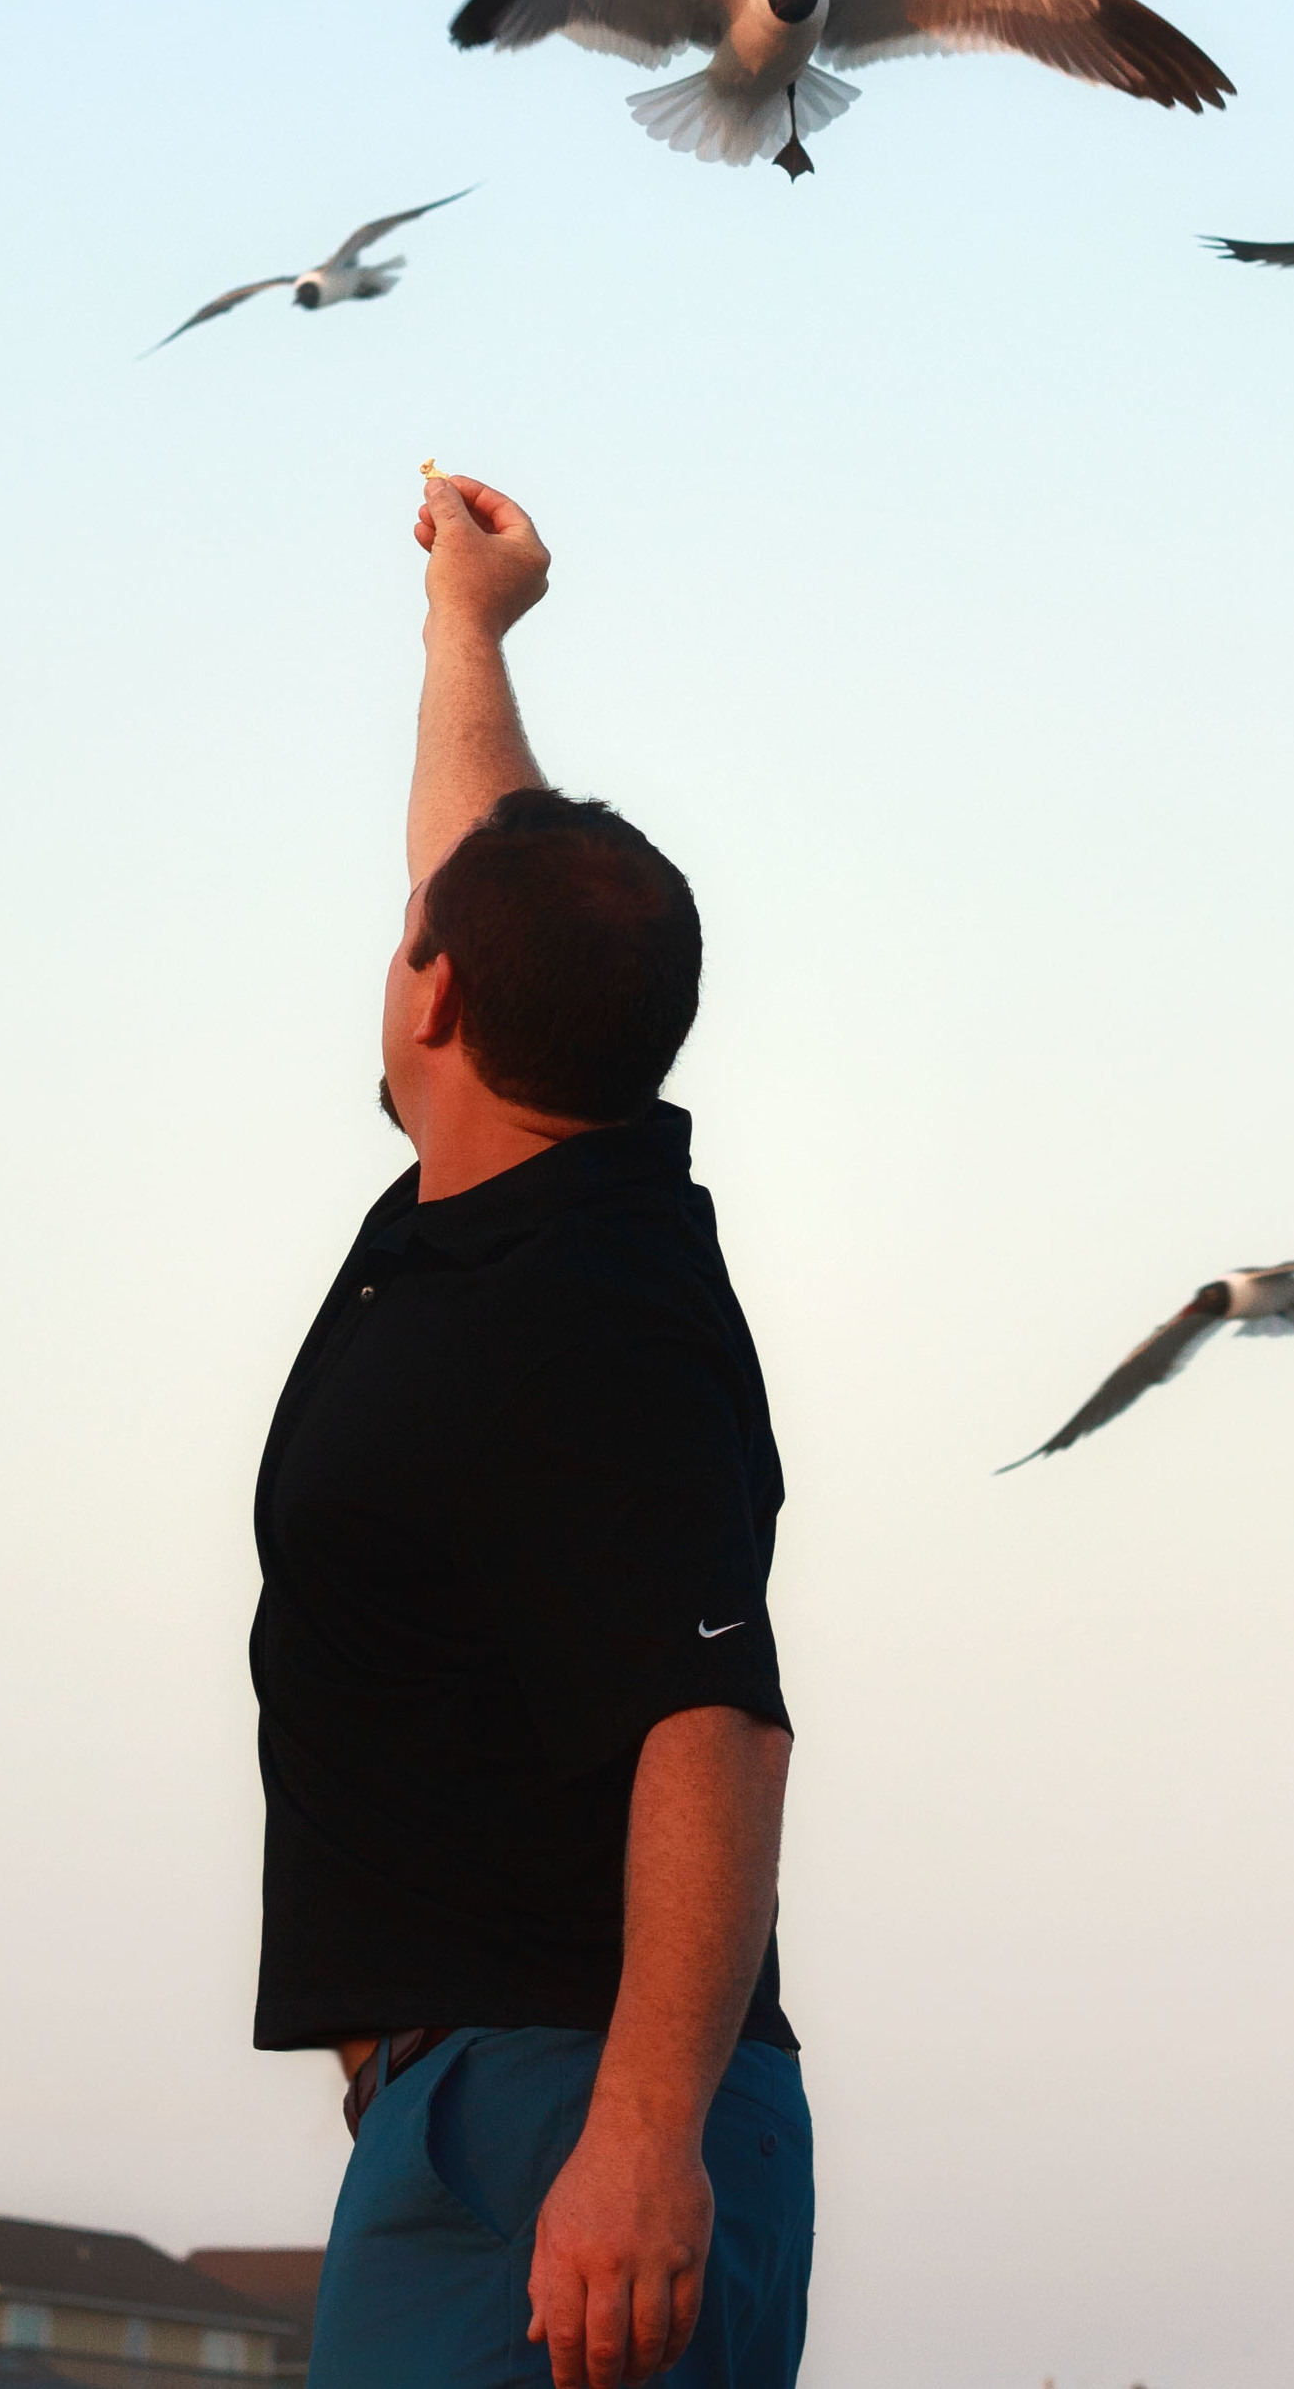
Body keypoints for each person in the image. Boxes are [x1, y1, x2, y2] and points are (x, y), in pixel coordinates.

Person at [252, 472, 810, 2389]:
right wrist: (467, 633)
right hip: (468, 2100)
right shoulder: (510, 1206)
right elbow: (484, 864)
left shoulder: (598, 1316)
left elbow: (713, 1716)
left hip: (582, 2119)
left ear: (438, 995)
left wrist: (643, 2137)